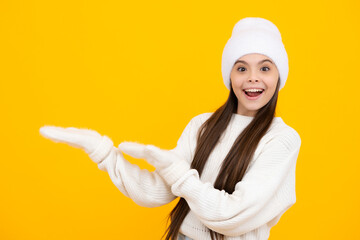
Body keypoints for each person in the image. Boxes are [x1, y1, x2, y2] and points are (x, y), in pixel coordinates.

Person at [39, 17, 301, 240]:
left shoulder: (281, 140)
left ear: (279, 75)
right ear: (229, 76)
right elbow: (157, 190)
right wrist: (104, 154)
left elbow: (231, 215)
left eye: (265, 68)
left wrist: (178, 173)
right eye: (241, 68)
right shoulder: (202, 125)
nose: (253, 77)